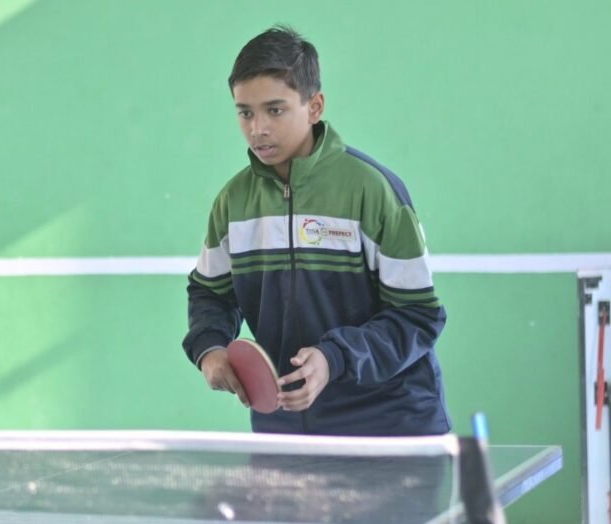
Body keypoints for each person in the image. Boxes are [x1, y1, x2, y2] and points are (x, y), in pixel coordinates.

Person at [182, 25, 451, 438]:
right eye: (245, 112)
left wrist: (335, 357)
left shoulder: (373, 190)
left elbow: (418, 316)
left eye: (275, 110)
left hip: (390, 427)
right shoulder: (233, 203)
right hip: (285, 432)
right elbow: (210, 293)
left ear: (314, 106)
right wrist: (210, 349)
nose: (258, 129)